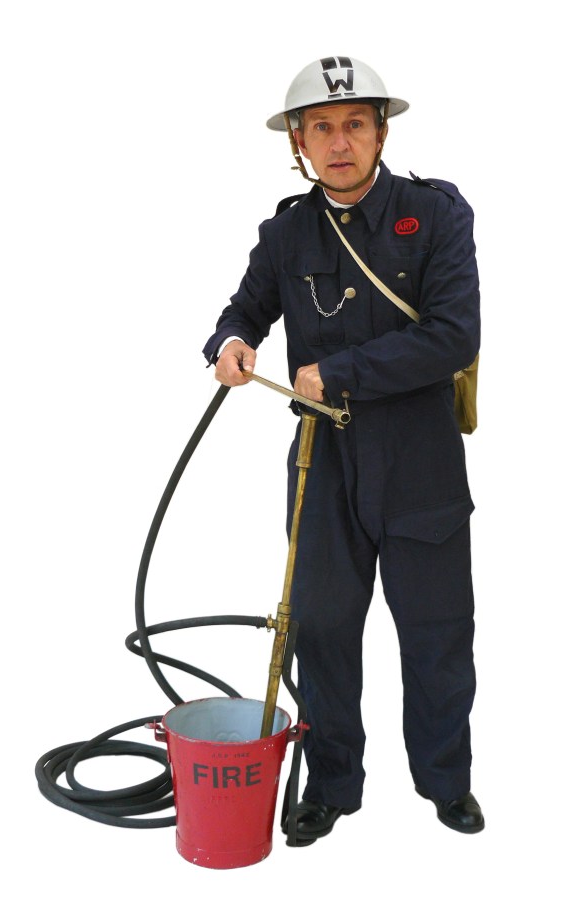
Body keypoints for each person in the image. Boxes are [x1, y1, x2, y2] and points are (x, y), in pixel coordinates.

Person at [203, 56, 483, 841]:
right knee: (321, 629)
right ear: (297, 142)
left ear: (379, 133)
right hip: (320, 460)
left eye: (354, 124)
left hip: (420, 456)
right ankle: (330, 785)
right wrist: (230, 342)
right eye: (320, 127)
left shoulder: (434, 215)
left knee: (436, 630)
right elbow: (245, 307)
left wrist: (341, 370)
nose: (338, 142)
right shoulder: (286, 231)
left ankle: (445, 782)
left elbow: (454, 335)